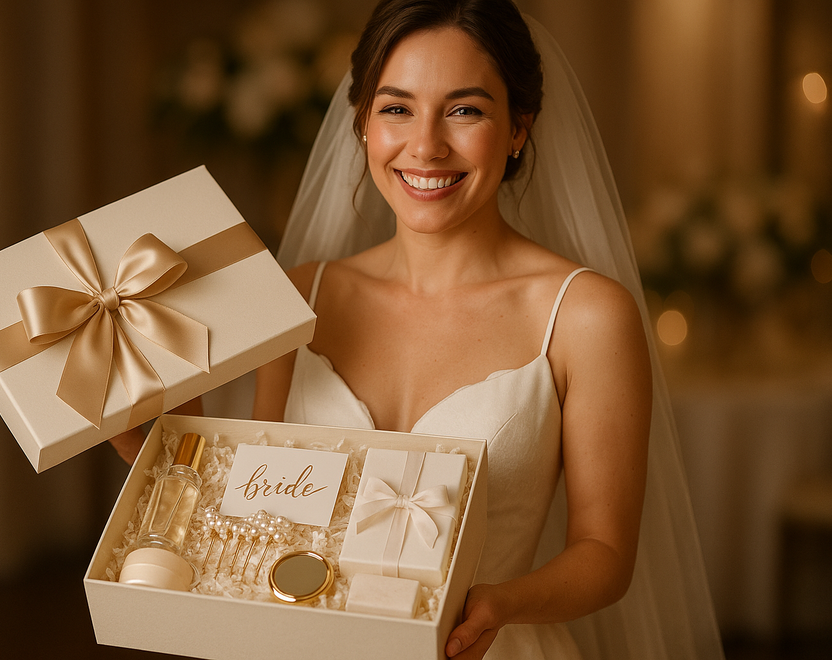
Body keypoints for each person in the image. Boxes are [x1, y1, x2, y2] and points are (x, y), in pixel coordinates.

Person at [251, 1, 725, 658]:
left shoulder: (585, 315)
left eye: (465, 110)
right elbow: (256, 506)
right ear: (362, 123)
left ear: (518, 128)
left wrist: (499, 603)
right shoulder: (298, 296)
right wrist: (154, 447)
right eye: (396, 108)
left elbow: (605, 554)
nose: (426, 145)